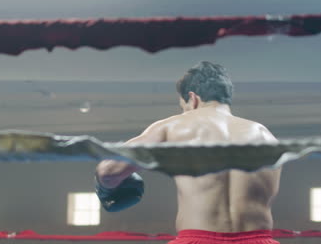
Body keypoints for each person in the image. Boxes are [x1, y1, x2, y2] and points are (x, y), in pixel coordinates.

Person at [95, 61, 281, 244]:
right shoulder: (265, 135)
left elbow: (109, 171)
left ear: (192, 99)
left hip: (197, 239)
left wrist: (107, 190)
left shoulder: (175, 126)